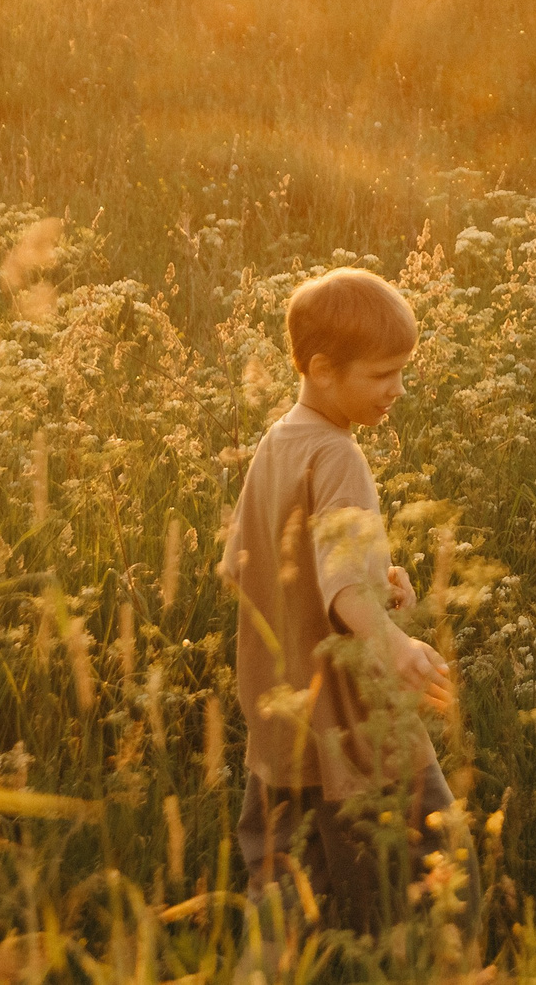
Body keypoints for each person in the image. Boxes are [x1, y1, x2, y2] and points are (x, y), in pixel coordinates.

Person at [221, 268, 458, 933]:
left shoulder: (276, 443)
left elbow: (245, 567)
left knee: (285, 897)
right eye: (383, 374)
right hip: (351, 725)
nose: (397, 389)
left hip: (279, 724)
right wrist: (390, 639)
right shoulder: (339, 456)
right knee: (436, 867)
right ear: (323, 368)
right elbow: (339, 584)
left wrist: (378, 589)